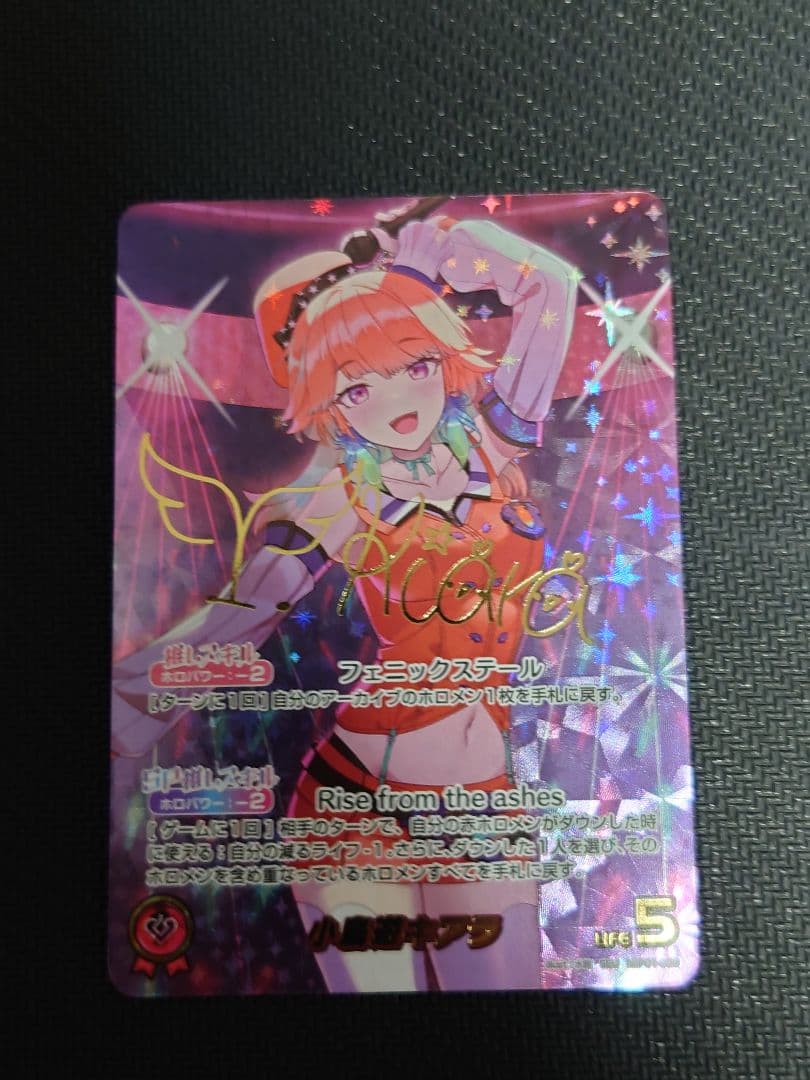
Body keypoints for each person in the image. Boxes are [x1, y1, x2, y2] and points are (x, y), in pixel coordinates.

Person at [113, 213, 581, 991]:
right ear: (328, 403)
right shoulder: (338, 499)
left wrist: (456, 238)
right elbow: (241, 616)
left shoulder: (494, 436)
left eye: (416, 364)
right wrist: (127, 706)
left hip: (478, 805)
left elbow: (553, 288)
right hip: (351, 802)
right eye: (358, 386)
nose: (397, 400)